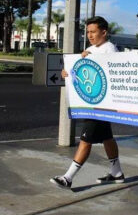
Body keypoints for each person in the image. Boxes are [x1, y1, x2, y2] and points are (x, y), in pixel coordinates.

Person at [50, 16, 125, 189]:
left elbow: (111, 73)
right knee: (107, 137)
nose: (90, 35)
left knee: (86, 139)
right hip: (91, 101)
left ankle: (68, 177)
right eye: (88, 32)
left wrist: (89, 59)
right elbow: (82, 74)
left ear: (104, 32)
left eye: (93, 32)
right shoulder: (90, 49)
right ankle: (117, 172)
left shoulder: (110, 50)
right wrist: (68, 72)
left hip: (101, 105)